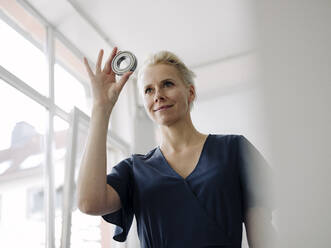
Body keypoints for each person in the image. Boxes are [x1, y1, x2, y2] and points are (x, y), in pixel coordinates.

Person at [77, 47, 277, 248]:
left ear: (190, 92)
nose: (158, 95)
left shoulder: (233, 150)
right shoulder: (135, 169)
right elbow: (89, 203)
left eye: (167, 84)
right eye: (149, 90)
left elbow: (262, 236)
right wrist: (101, 108)